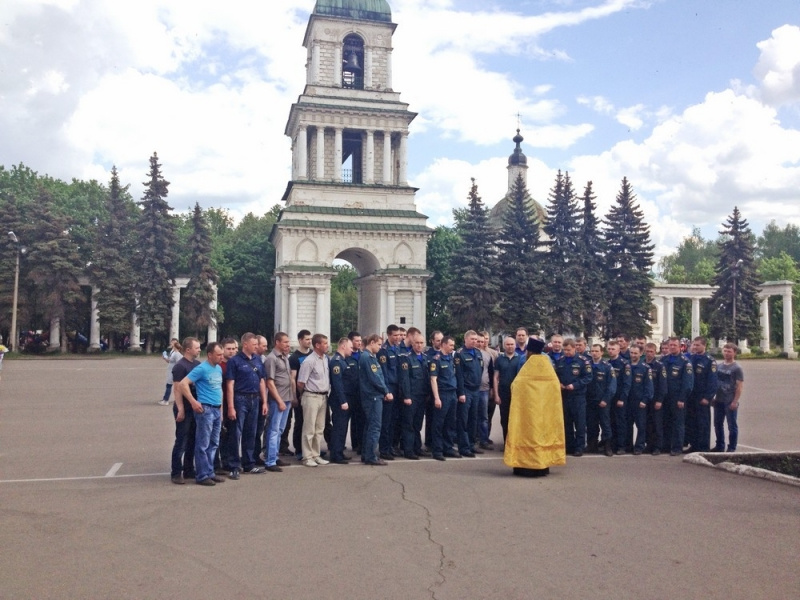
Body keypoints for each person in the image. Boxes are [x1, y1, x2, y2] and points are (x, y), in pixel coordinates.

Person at [504, 337, 566, 477]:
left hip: (527, 409)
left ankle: (525, 466)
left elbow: (516, 385)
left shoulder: (528, 365)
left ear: (530, 351)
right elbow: (555, 385)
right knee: (542, 434)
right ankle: (542, 465)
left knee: (527, 434)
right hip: (544, 409)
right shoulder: (547, 364)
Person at [178, 342, 226, 486]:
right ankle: (202, 475)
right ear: (210, 355)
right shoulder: (201, 369)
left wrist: (221, 411)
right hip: (205, 410)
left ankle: (210, 471)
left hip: (216, 409)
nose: (221, 357)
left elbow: (219, 390)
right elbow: (183, 384)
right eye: (218, 355)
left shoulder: (218, 369)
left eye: (222, 354)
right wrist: (193, 402)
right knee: (203, 444)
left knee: (214, 443)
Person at [225, 332, 268, 478]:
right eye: (254, 344)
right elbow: (230, 384)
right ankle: (234, 466)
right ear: (245, 345)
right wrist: (231, 407)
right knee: (236, 433)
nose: (256, 347)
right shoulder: (234, 361)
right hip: (240, 399)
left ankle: (249, 464)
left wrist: (264, 401)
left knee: (251, 432)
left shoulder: (257, 360)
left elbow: (262, 381)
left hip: (255, 399)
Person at [554, 338, 593, 457]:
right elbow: (555, 375)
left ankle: (579, 447)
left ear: (574, 348)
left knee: (580, 422)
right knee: (567, 422)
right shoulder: (560, 361)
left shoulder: (583, 361)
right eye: (564, 350)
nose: (566, 352)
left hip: (578, 396)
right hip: (565, 396)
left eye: (569, 350)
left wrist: (575, 385)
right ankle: (569, 445)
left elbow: (588, 377)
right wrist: (558, 383)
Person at [170, 337, 201, 484]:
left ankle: (189, 469)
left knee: (193, 440)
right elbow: (177, 389)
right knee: (181, 440)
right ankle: (176, 473)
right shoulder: (180, 366)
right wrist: (180, 409)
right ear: (188, 350)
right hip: (185, 408)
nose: (199, 350)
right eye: (197, 348)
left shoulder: (197, 364)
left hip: (195, 407)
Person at [297, 333, 330, 467]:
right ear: (317, 345)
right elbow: (300, 382)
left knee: (319, 428)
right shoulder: (309, 361)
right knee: (309, 428)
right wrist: (304, 395)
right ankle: (307, 456)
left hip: (323, 396)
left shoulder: (325, 359)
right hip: (311, 396)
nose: (327, 346)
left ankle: (316, 454)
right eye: (325, 343)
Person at [359, 334, 392, 466]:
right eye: (378, 344)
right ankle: (371, 456)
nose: (380, 347)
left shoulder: (370, 357)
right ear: (371, 342)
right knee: (375, 427)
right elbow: (375, 378)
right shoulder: (368, 358)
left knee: (370, 426)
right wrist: (386, 391)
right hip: (372, 396)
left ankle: (366, 453)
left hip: (373, 395)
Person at [263, 332, 294, 473]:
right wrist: (279, 400)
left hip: (287, 398)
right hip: (278, 400)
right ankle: (269, 461)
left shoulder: (285, 357)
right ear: (277, 342)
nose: (288, 345)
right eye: (285, 342)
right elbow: (270, 382)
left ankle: (274, 457)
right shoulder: (272, 359)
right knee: (274, 430)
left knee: (280, 430)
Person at [398, 332, 430, 459]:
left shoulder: (425, 357)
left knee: (418, 424)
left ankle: (417, 447)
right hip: (411, 396)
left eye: (421, 343)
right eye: (417, 343)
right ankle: (408, 450)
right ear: (412, 343)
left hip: (422, 396)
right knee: (409, 424)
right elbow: (404, 379)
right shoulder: (406, 358)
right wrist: (406, 396)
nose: (419, 345)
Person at [662, 337, 694, 456]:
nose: (672, 347)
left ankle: (677, 447)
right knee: (666, 422)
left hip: (678, 398)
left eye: (674, 345)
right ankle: (666, 445)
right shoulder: (664, 360)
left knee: (678, 423)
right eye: (670, 345)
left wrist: (682, 398)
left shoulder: (685, 362)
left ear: (680, 346)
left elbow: (687, 383)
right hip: (666, 397)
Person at [430, 335, 460, 460]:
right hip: (443, 394)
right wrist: (437, 397)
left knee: (450, 423)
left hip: (452, 393)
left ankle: (448, 448)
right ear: (443, 344)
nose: (453, 347)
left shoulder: (451, 358)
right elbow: (433, 379)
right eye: (451, 345)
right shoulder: (436, 359)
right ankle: (437, 450)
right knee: (438, 424)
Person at [377, 324, 405, 460]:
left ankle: (391, 446)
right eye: (395, 335)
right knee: (386, 421)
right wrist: (387, 391)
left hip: (398, 388)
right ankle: (384, 449)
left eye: (399, 335)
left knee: (395, 420)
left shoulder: (399, 349)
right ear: (388, 335)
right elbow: (383, 373)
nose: (397, 337)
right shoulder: (383, 351)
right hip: (389, 388)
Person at [686, 336, 718, 453]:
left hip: (702, 397)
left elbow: (713, 382)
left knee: (703, 423)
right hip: (691, 396)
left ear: (704, 346)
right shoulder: (690, 359)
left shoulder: (709, 361)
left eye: (697, 345)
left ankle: (703, 447)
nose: (695, 347)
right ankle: (694, 445)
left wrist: (707, 397)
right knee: (692, 422)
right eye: (694, 345)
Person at [454, 330, 483, 458]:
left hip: (476, 390)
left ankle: (471, 444)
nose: (474, 341)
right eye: (472, 339)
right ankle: (464, 447)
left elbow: (480, 369)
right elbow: (459, 375)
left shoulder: (478, 353)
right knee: (463, 420)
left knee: (473, 419)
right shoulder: (460, 354)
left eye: (476, 339)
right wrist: (461, 392)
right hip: (465, 390)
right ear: (465, 339)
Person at [586, 343, 616, 456]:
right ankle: (592, 445)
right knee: (591, 424)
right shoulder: (587, 365)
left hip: (603, 401)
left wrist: (606, 399)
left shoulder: (607, 367)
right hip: (590, 400)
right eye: (592, 351)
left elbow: (612, 386)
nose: (594, 353)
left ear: (602, 352)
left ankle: (607, 446)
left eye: (596, 351)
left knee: (605, 424)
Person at [288, 330, 313, 461]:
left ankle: (311, 448)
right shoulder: (294, 358)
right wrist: (294, 396)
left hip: (312, 393)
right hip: (300, 394)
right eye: (307, 339)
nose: (309, 341)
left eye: (310, 339)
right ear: (300, 340)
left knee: (311, 423)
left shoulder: (313, 354)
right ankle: (298, 449)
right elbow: (293, 378)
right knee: (300, 422)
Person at [713, 343, 743, 452]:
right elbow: (715, 383)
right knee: (717, 424)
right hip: (719, 399)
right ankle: (720, 446)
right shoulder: (719, 366)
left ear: (734, 353)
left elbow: (739, 386)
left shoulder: (737, 368)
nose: (726, 353)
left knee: (732, 426)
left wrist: (735, 401)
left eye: (729, 351)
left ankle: (731, 448)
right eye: (725, 351)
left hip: (729, 400)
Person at [328, 337, 353, 464]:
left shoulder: (343, 360)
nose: (352, 350)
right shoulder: (337, 361)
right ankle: (335, 455)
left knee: (343, 427)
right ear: (343, 346)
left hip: (345, 399)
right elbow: (337, 384)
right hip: (339, 400)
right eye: (350, 347)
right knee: (339, 427)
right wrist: (343, 401)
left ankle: (339, 452)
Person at [216, 337, 239, 474]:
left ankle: (230, 461)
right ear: (223, 349)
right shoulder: (219, 366)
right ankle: (219, 463)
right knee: (220, 435)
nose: (232, 352)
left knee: (232, 435)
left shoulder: (237, 363)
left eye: (234, 349)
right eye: (229, 349)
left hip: (235, 404)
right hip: (220, 405)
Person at [625, 345, 654, 455]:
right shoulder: (626, 365)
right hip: (627, 401)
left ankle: (639, 446)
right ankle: (628, 446)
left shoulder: (645, 368)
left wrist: (645, 400)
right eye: (631, 353)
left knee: (641, 426)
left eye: (635, 353)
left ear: (640, 354)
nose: (633, 355)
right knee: (627, 425)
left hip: (639, 402)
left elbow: (649, 386)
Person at [493, 336, 520, 444]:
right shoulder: (499, 359)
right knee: (504, 419)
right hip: (503, 393)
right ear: (504, 346)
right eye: (507, 344)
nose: (510, 346)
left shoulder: (521, 359)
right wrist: (496, 395)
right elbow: (495, 377)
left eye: (512, 344)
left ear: (515, 345)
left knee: (516, 419)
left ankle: (516, 443)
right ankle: (507, 443)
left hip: (517, 394)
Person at [606, 340, 631, 454]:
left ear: (618, 350)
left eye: (613, 349)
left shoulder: (624, 364)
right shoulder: (607, 364)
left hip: (620, 398)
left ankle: (622, 446)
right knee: (611, 422)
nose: (611, 351)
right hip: (610, 398)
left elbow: (627, 383)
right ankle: (613, 444)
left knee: (621, 422)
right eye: (609, 349)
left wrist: (622, 398)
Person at [644, 342, 667, 455]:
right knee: (647, 424)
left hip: (656, 399)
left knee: (657, 424)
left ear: (655, 352)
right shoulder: (642, 364)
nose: (649, 354)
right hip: (645, 400)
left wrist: (660, 400)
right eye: (647, 351)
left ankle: (658, 447)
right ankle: (649, 445)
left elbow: (663, 385)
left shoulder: (659, 366)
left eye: (651, 351)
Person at [476, 331, 496, 449]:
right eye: (477, 341)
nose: (479, 343)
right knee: (471, 417)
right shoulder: (468, 354)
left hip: (484, 390)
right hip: (471, 390)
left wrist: (492, 389)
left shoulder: (488, 356)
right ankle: (471, 440)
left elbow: (491, 373)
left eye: (481, 342)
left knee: (484, 417)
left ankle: (483, 440)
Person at [347, 331, 364, 455]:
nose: (359, 343)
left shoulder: (363, 355)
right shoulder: (346, 356)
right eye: (356, 340)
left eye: (360, 340)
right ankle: (351, 444)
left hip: (361, 393)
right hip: (349, 393)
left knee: (360, 419)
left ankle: (359, 444)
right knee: (346, 420)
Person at [254, 335, 269, 464]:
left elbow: (263, 381)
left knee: (259, 429)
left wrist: (265, 401)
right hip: (249, 399)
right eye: (263, 345)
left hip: (261, 399)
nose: (266, 348)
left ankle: (256, 454)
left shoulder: (262, 359)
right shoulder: (252, 360)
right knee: (250, 430)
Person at [160, 339, 182, 405]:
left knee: (169, 385)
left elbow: (179, 363)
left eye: (173, 343)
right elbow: (170, 361)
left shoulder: (177, 354)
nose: (171, 344)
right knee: (171, 385)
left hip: (174, 371)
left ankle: (166, 400)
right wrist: (165, 357)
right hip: (171, 370)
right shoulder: (173, 352)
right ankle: (166, 399)